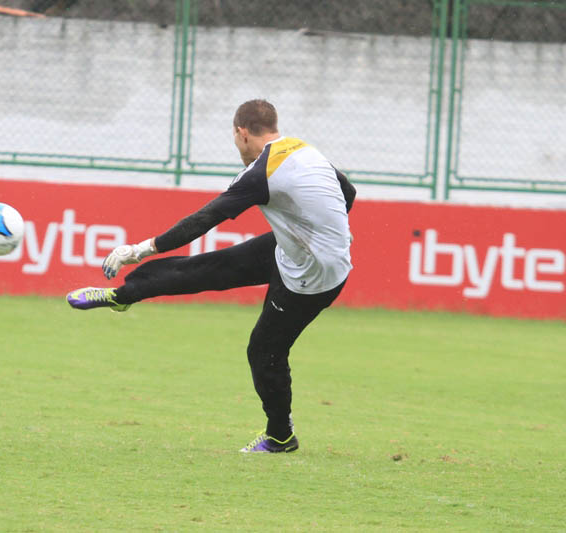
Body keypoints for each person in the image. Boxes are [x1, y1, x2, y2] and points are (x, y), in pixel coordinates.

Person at [67, 99, 356, 453]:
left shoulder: (261, 172)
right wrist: (322, 231)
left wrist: (138, 249)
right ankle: (123, 295)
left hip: (314, 279)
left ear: (242, 132)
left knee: (264, 350)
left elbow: (203, 221)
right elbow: (348, 193)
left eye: (235, 139)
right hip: (297, 252)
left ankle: (280, 436)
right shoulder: (306, 151)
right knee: (209, 268)